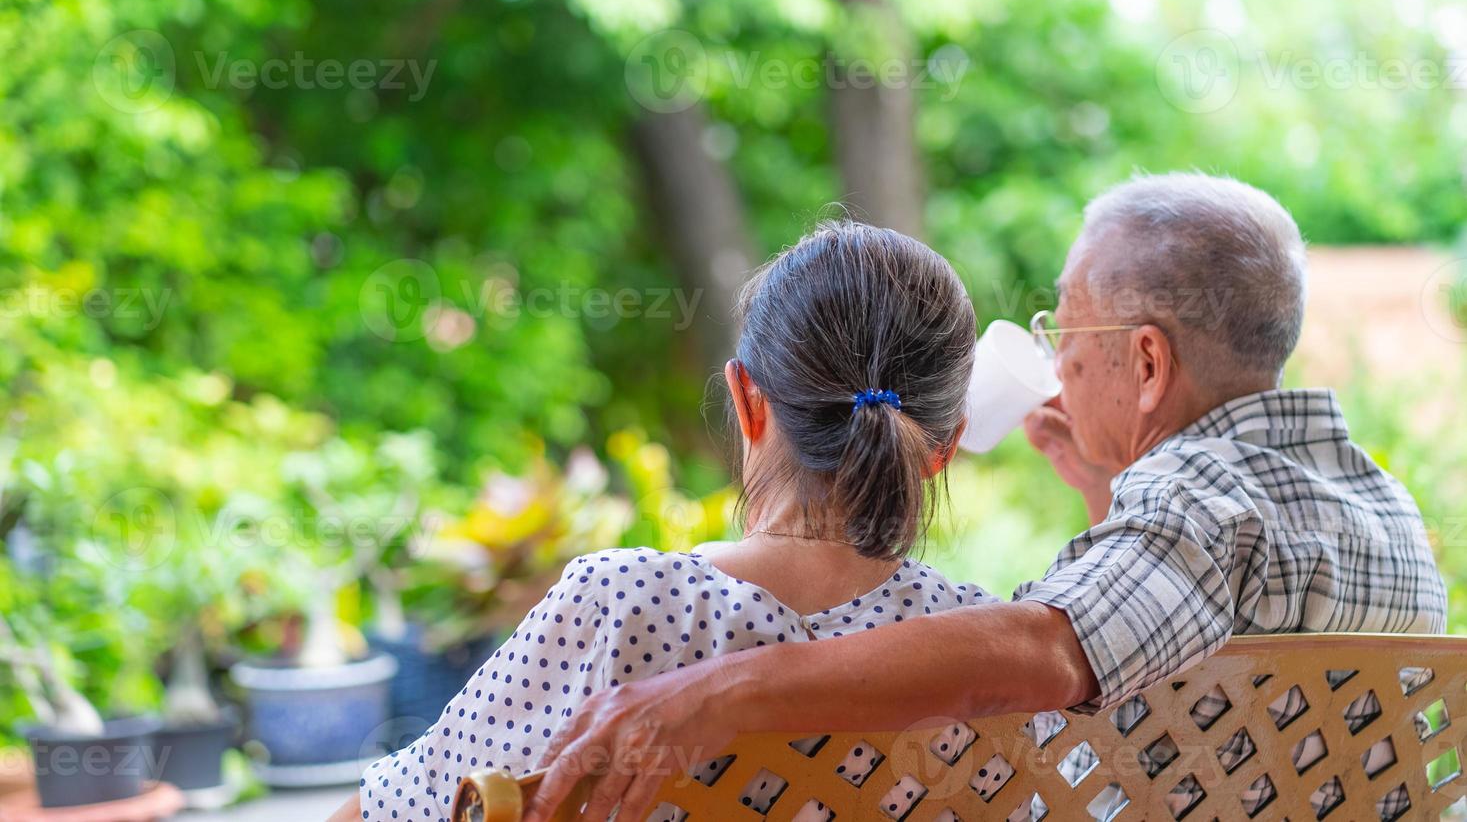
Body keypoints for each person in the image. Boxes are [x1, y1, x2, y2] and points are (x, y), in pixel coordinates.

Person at [522, 172, 1447, 822]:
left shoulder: (1195, 507)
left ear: (1148, 363)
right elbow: (1210, 699)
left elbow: (1040, 654)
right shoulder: (1379, 506)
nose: (1056, 357)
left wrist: (712, 693)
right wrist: (1107, 493)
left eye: (1067, 326)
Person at [330, 220, 998, 822]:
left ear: (745, 397)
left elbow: (399, 808)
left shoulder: (627, 602)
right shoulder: (986, 652)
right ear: (944, 445)